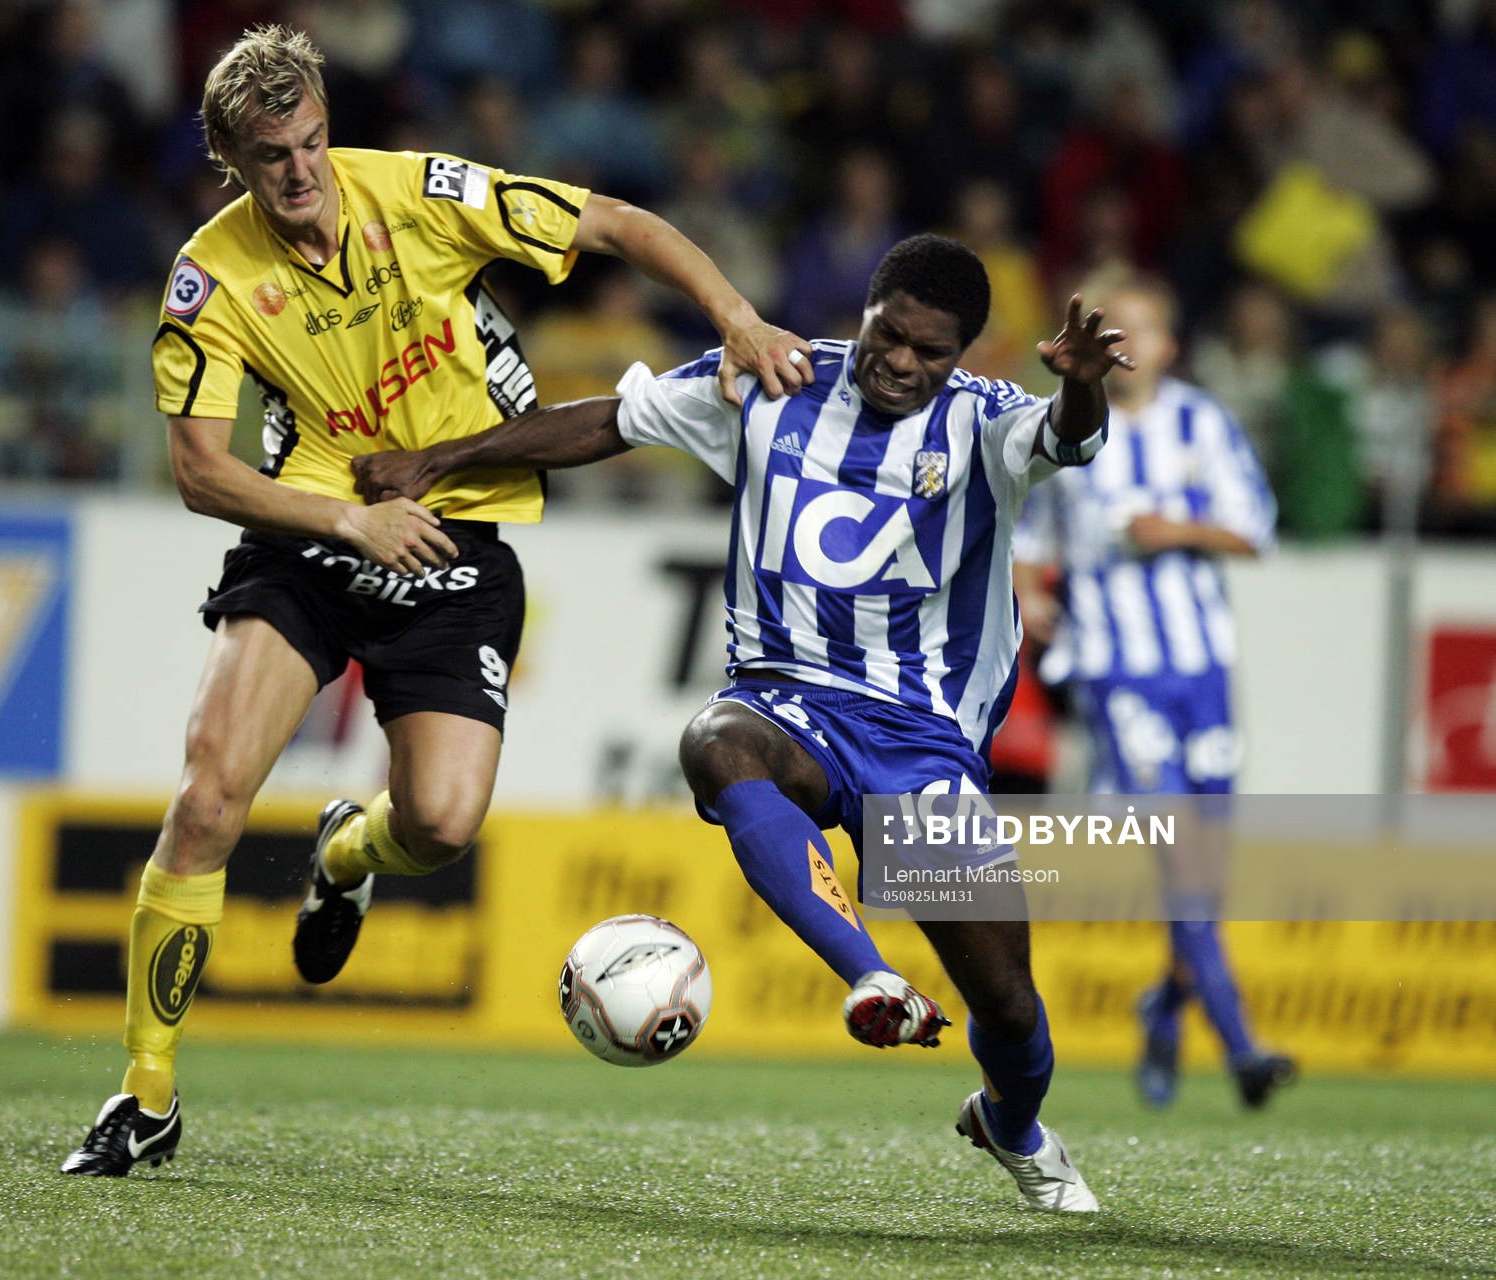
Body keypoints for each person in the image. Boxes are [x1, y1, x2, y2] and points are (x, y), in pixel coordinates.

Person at [60, 24, 811, 1177]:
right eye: (273, 156)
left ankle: (345, 856)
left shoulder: (414, 194)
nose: (302, 171)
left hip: (458, 539)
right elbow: (202, 470)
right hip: (312, 534)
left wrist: (734, 315)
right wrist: (348, 518)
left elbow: (617, 223)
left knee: (444, 823)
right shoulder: (212, 279)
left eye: (312, 141)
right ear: (228, 155)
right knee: (206, 800)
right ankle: (145, 1092)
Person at [351, 234, 1133, 1213]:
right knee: (716, 741)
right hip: (787, 695)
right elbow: (609, 422)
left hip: (922, 737)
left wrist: (1083, 386)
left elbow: (1070, 435)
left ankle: (1010, 1125)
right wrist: (440, 458)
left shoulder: (990, 421)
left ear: (963, 354)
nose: (901, 362)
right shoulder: (772, 378)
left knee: (1010, 1010)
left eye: (930, 352)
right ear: (867, 311)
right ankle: (869, 977)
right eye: (888, 335)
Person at [1011, 275, 1297, 1109]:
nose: (1122, 344)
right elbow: (1028, 533)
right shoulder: (1066, 423)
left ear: (1169, 347)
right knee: (1185, 863)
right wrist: (1032, 595)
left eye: (1137, 330)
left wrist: (1178, 531)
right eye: (1111, 330)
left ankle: (1162, 1009)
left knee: (1207, 869)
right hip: (1116, 670)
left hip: (1204, 671)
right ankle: (1242, 1049)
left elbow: (1257, 532)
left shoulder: (1202, 423)